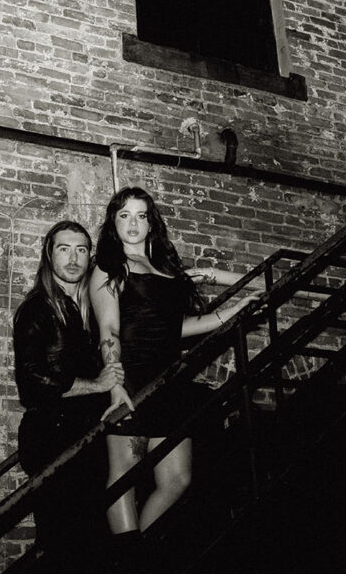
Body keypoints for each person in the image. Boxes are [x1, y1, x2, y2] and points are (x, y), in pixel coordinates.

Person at [89, 187, 261, 544]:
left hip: (170, 380)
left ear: (151, 223)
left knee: (177, 479)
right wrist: (115, 381)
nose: (133, 223)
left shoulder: (166, 270)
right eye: (124, 215)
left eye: (140, 215)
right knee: (126, 474)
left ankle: (142, 551)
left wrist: (233, 310)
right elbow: (109, 328)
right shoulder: (110, 267)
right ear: (113, 224)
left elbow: (179, 328)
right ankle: (126, 557)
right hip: (134, 377)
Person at [12, 220, 124, 574]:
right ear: (49, 254)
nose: (74, 257)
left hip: (85, 435)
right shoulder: (38, 308)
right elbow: (32, 382)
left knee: (85, 540)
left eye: (81, 249)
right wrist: (96, 385)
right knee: (62, 540)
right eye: (64, 249)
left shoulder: (91, 309)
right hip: (51, 434)